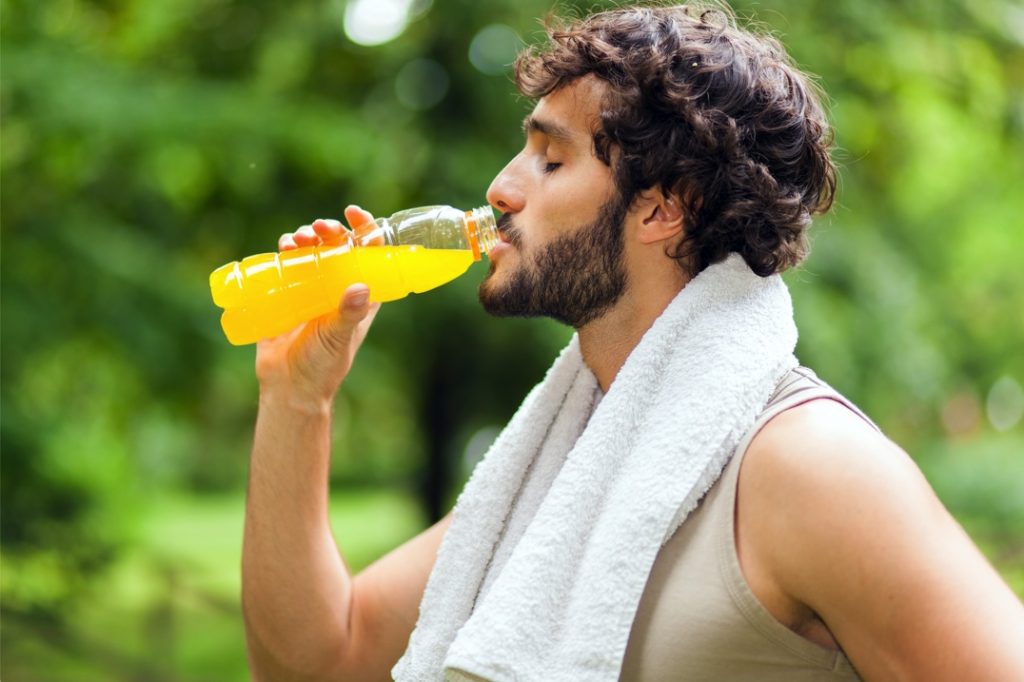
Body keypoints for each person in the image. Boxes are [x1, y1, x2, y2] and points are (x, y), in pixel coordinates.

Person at [240, 4, 1024, 681]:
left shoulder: (810, 467)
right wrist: (296, 397)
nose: (502, 187)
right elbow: (320, 661)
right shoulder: (574, 467)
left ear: (660, 211)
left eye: (551, 158)